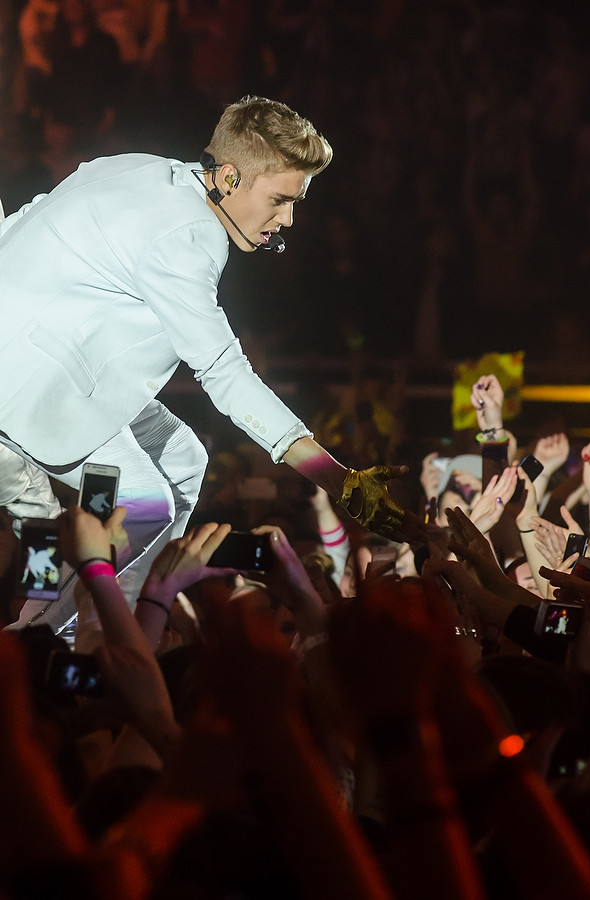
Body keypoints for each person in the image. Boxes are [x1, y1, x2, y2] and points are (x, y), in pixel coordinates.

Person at [0, 95, 422, 630]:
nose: (288, 218)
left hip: (59, 375)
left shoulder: (143, 169)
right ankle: (50, 642)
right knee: (134, 506)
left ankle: (82, 622)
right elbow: (224, 375)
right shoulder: (190, 238)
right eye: (279, 199)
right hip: (25, 390)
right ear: (226, 176)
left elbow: (29, 218)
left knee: (181, 461)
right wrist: (335, 477)